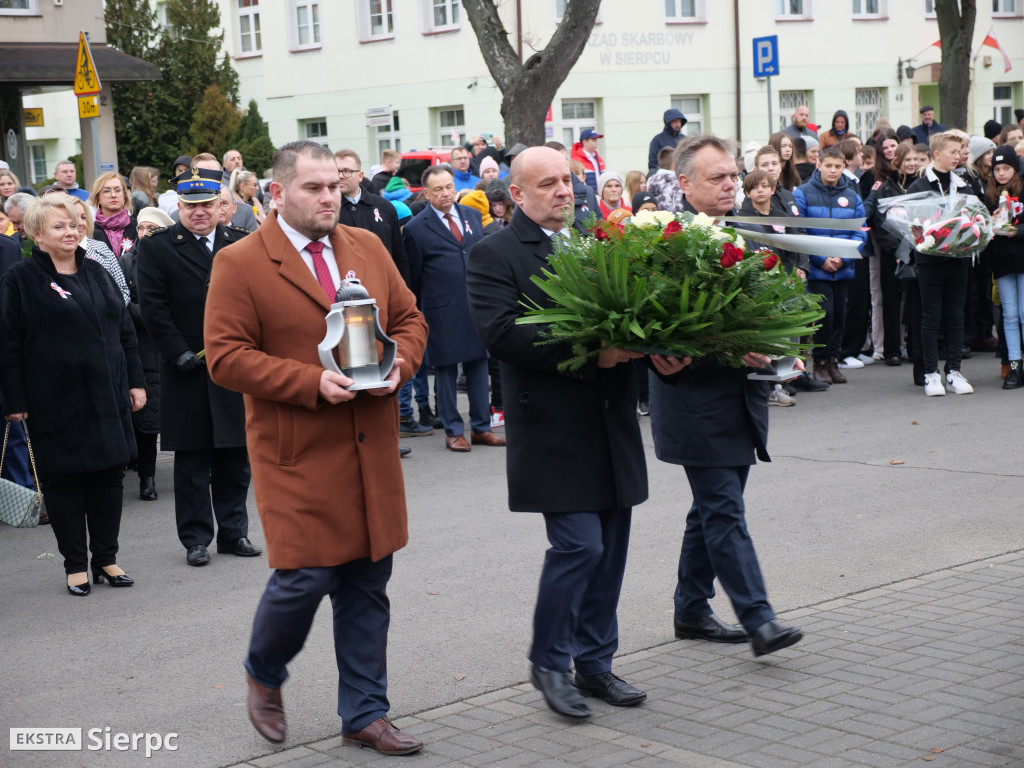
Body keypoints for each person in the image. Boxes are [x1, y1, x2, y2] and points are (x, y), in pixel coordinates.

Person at [203, 139, 427, 755]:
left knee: (367, 579)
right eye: (314, 188)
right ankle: (264, 670)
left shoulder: (368, 246)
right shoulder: (241, 261)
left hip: (370, 444)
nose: (330, 197)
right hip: (297, 450)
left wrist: (399, 366)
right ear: (278, 193)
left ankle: (366, 712)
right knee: (305, 576)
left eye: (333, 186)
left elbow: (410, 320)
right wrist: (309, 382)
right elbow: (225, 358)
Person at [466, 146, 651, 720]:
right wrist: (595, 352)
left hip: (608, 417)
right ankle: (549, 662)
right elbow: (502, 334)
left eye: (567, 181)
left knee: (611, 549)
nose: (564, 191)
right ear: (515, 195)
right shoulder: (493, 252)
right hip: (552, 421)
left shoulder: (597, 238)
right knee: (579, 545)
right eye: (547, 184)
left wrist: (657, 348)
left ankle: (595, 664)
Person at [652, 135, 804, 657]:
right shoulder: (664, 247)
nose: (730, 185)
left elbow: (762, 317)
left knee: (713, 508)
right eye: (717, 178)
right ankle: (760, 619)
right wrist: (735, 351)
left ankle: (691, 609)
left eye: (732, 176)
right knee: (722, 511)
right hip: (693, 400)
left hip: (740, 399)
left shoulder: (747, 238)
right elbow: (661, 332)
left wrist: (781, 352)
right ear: (684, 184)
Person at [0, 195, 145, 595]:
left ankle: (106, 559)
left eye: (76, 223)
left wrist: (135, 382)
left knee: (108, 477)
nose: (71, 231)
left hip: (107, 396)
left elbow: (125, 332)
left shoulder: (98, 272)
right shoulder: (19, 279)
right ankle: (76, 565)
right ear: (36, 235)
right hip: (53, 399)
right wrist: (14, 401)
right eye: (60, 227)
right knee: (64, 481)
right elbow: (8, 344)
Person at [138, 165, 262, 565]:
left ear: (221, 205)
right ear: (180, 207)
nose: (200, 212)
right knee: (192, 460)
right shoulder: (158, 247)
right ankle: (195, 539)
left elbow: (256, 303)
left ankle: (234, 533)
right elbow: (153, 308)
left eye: (208, 204)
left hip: (234, 365)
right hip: (185, 367)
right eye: (191, 205)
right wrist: (176, 352)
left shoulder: (241, 243)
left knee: (234, 455)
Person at [402, 165, 504, 452]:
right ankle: (453, 430)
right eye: (438, 189)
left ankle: (481, 428)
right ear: (426, 193)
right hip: (440, 308)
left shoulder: (471, 216)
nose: (446, 194)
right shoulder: (416, 228)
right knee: (446, 372)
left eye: (449, 187)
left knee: (478, 365)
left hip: (475, 304)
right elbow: (414, 277)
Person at [906, 132, 977, 396]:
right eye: (952, 152)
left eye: (959, 152)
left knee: (956, 316)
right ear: (937, 154)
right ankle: (931, 373)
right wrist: (923, 237)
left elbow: (973, 219)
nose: (957, 157)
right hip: (929, 260)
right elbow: (911, 224)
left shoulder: (964, 185)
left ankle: (954, 371)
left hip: (959, 259)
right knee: (931, 316)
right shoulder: (919, 186)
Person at [793, 145, 867, 384]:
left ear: (844, 167)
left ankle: (834, 360)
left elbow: (860, 230)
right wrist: (821, 259)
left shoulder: (852, 196)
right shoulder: (803, 193)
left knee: (840, 317)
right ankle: (820, 361)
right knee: (826, 314)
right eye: (828, 166)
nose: (833, 171)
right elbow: (800, 230)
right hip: (818, 268)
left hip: (842, 267)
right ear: (819, 165)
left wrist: (842, 257)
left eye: (837, 166)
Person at [120, 206, 173, 501]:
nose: (144, 233)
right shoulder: (127, 260)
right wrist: (154, 316)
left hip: (172, 343)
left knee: (183, 411)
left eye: (151, 228)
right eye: (141, 228)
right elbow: (125, 303)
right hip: (142, 345)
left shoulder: (174, 257)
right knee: (147, 417)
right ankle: (147, 477)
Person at [981, 147, 1024, 388]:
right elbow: (983, 227)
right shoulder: (989, 194)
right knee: (1009, 314)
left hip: (1022, 258)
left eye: (1006, 168)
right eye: (997, 169)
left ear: (1014, 169)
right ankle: (1014, 365)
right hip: (1002, 262)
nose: (1001, 173)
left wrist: (1016, 230)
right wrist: (991, 222)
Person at [89, 172, 138, 259]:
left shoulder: (138, 227)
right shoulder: (90, 231)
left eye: (117, 190)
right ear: (97, 198)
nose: (113, 195)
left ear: (124, 196)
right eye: (107, 191)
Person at [647, 108, 687, 173]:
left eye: (680, 121)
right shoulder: (657, 140)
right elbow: (653, 165)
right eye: (675, 121)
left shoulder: (684, 139)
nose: (678, 124)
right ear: (668, 122)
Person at [648, 146, 683, 212]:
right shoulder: (676, 185)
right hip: (672, 221)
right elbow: (680, 210)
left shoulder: (650, 182)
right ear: (674, 166)